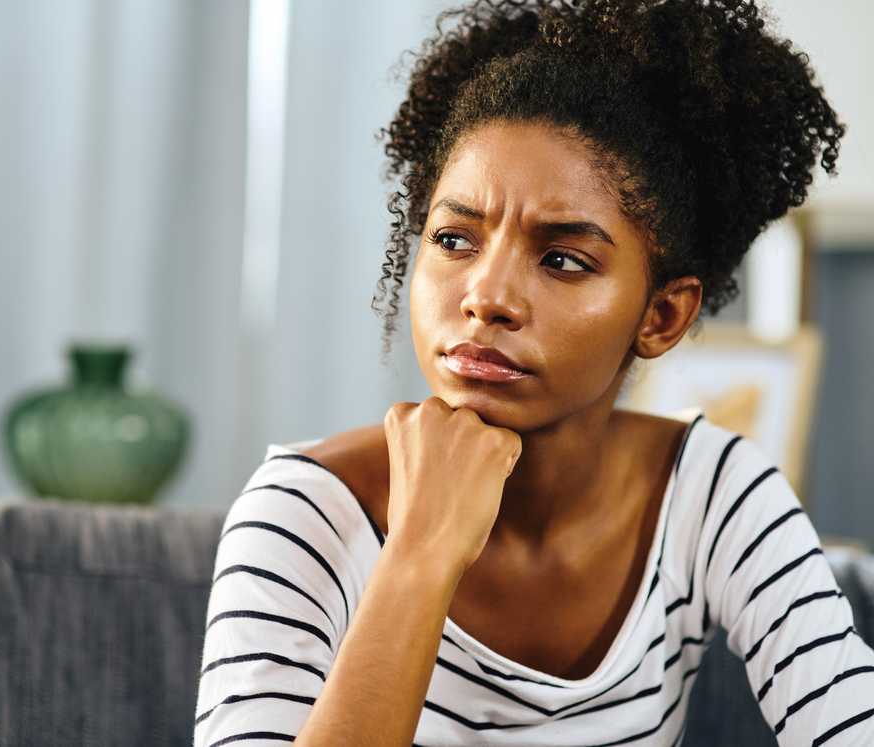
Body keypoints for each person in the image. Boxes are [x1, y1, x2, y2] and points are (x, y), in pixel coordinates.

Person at [193, 1, 874, 744]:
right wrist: (421, 553)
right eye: (454, 238)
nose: (485, 296)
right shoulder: (303, 515)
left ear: (661, 317)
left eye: (561, 260)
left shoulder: (711, 498)